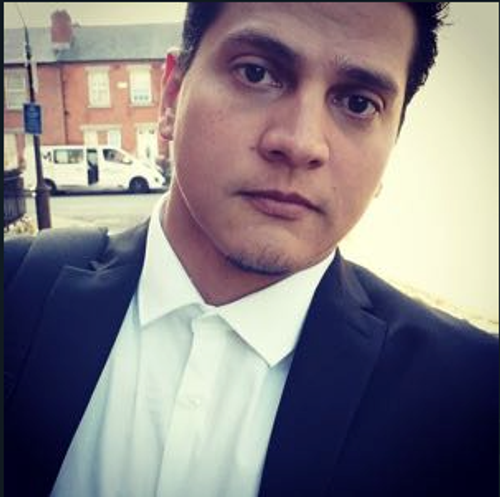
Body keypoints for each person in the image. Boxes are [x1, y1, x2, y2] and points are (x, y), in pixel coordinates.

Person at [4, 3, 498, 497]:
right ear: (171, 96)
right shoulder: (15, 295)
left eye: (358, 103)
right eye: (256, 73)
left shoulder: (471, 399)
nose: (301, 143)